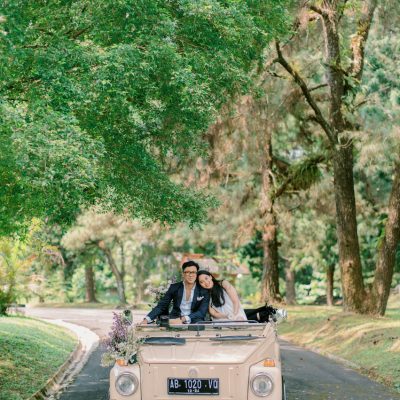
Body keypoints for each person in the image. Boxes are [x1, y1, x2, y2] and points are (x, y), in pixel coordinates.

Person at [141, 261, 209, 325]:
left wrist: (183, 319)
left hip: (194, 320)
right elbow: (161, 306)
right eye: (187, 272)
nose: (190, 275)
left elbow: (201, 312)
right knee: (164, 325)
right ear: (183, 274)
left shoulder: (203, 290)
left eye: (193, 272)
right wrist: (146, 320)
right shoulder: (174, 287)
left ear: (197, 274)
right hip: (175, 319)